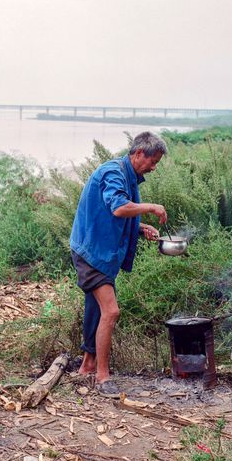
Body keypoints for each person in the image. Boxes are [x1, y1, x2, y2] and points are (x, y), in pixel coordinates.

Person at [69, 131, 168, 397]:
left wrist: (139, 227)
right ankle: (103, 377)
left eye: (157, 163)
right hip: (91, 252)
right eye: (152, 161)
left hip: (103, 253)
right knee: (111, 311)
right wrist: (152, 207)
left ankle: (87, 366)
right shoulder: (112, 172)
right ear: (138, 154)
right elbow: (118, 208)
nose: (154, 167)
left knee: (96, 310)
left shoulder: (129, 175)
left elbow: (118, 213)